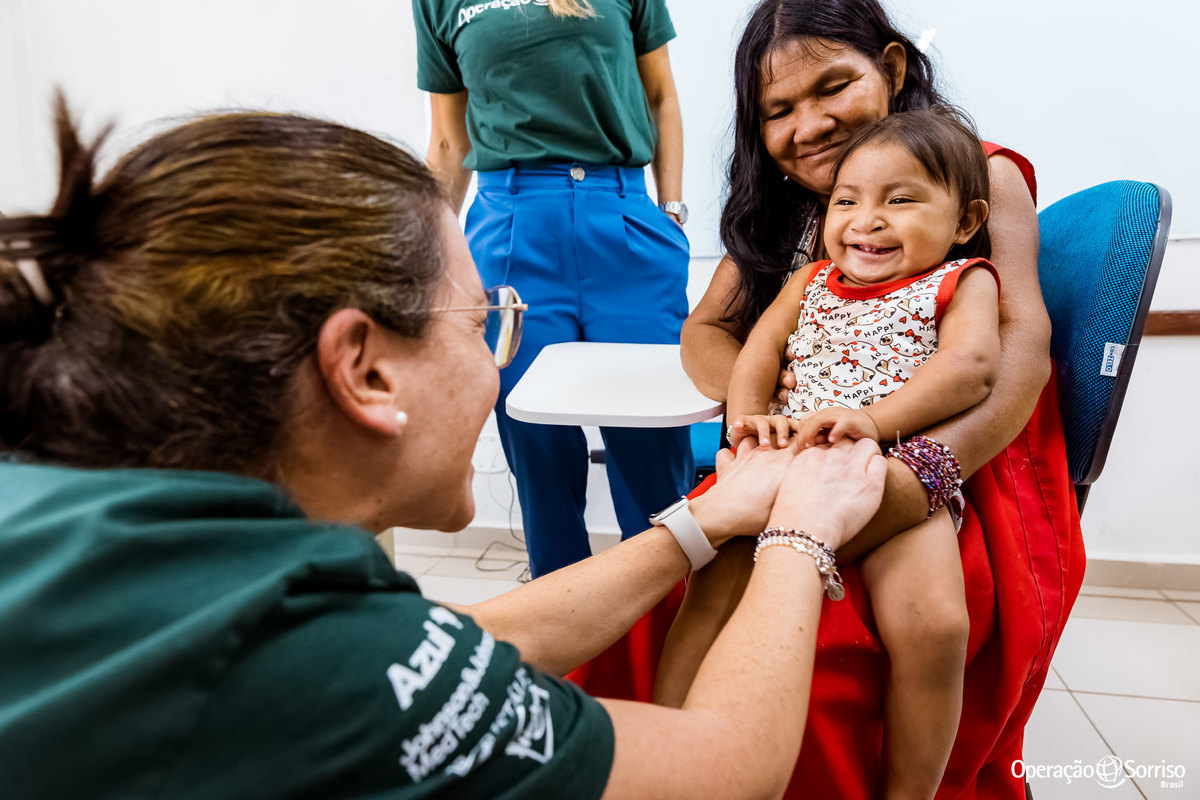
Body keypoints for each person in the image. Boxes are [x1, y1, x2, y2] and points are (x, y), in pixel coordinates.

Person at [0, 100, 887, 799]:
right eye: (484, 324)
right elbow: (720, 773)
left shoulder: (108, 525)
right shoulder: (301, 662)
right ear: (365, 370)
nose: (497, 364)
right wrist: (798, 532)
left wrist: (697, 522)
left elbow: (450, 644)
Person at [573, 2, 1085, 798]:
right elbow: (705, 332)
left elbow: (1013, 359)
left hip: (948, 454)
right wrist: (771, 401)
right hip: (806, 446)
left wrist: (918, 471)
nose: (809, 124)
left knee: (896, 623)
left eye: (833, 86)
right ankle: (673, 761)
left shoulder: (974, 175)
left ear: (892, 68)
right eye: (778, 111)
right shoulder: (801, 217)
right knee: (674, 583)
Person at [663, 109, 1001, 799]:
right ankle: (668, 756)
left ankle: (909, 791)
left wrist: (872, 423)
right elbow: (758, 350)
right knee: (708, 592)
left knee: (936, 624)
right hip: (781, 465)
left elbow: (972, 368)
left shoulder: (963, 280)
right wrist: (748, 422)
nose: (866, 220)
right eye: (847, 201)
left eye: (900, 200)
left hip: (890, 471)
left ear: (964, 220)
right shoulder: (810, 279)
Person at [414, 0, 694, 578]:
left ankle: (664, 622)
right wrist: (425, 262)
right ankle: (567, 638)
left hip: (623, 216)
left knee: (653, 440)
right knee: (536, 443)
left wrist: (671, 210)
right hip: (511, 225)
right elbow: (446, 142)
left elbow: (661, 96)